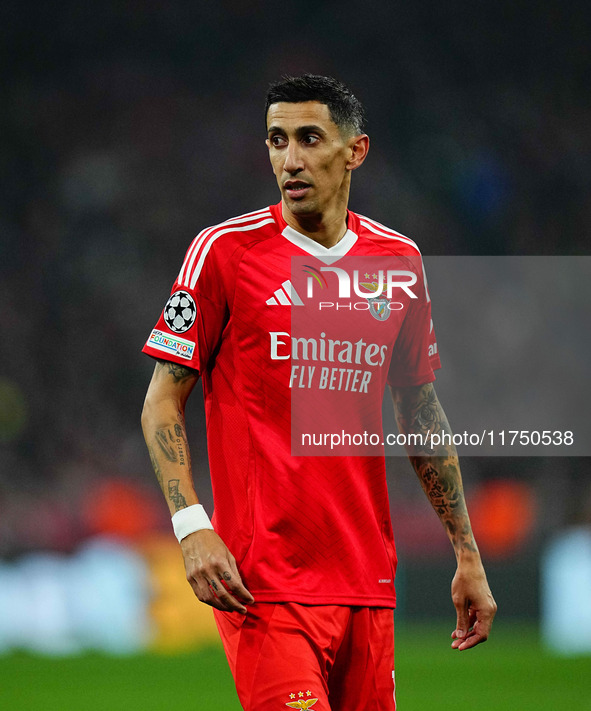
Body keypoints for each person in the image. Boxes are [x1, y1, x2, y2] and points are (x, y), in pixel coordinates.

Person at [141, 74, 496, 710]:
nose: (290, 159)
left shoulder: (399, 261)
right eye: (277, 141)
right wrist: (192, 526)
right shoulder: (224, 253)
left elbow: (421, 412)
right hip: (264, 584)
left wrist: (466, 553)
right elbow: (162, 400)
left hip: (366, 581)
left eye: (309, 139)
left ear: (356, 151)